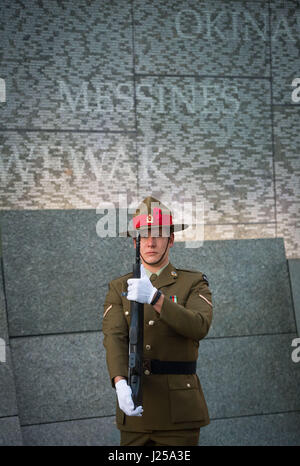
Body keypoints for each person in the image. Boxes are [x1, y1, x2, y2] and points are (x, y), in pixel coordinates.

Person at [102, 196, 213, 446]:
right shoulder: (119, 286)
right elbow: (114, 339)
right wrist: (119, 383)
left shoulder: (193, 282)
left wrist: (156, 298)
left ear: (171, 239)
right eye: (144, 235)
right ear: (135, 242)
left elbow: (198, 326)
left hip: (179, 413)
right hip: (134, 407)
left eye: (159, 234)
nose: (151, 242)